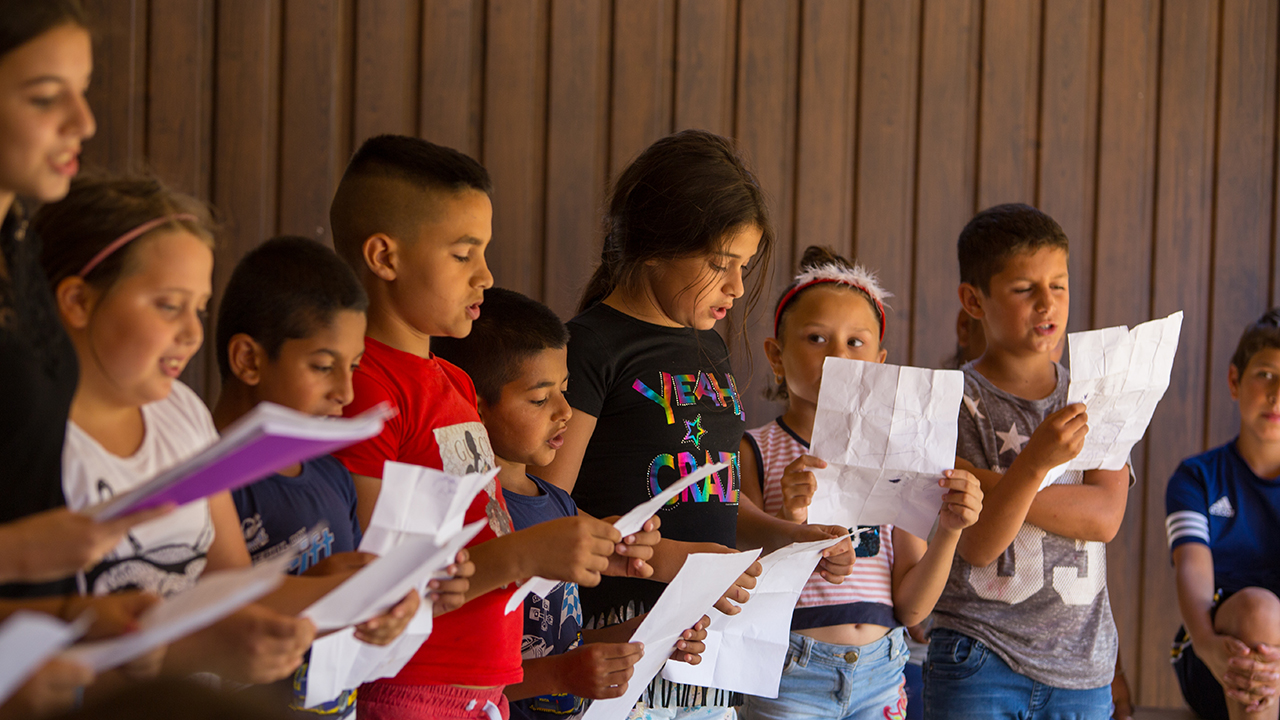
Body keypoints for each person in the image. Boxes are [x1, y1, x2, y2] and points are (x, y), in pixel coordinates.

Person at [330, 134, 655, 720]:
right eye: (463, 253)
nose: (485, 275)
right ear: (384, 257)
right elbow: (376, 582)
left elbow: (475, 530)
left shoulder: (450, 381)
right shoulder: (364, 389)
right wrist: (527, 553)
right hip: (412, 688)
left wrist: (582, 545)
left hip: (483, 688)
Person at [532, 129, 853, 720]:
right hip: (615, 653)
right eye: (719, 264)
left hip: (703, 664)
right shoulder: (590, 347)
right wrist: (675, 560)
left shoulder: (710, 347)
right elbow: (543, 511)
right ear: (654, 244)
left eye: (743, 267)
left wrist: (785, 535)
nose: (735, 287)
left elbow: (717, 494)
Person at [36, 174, 322, 686]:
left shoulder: (184, 414)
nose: (192, 334)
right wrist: (198, 653)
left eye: (199, 309)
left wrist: (350, 601)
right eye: (169, 306)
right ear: (78, 301)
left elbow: (229, 586)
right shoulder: (32, 436)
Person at [214, 236, 466, 717]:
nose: (346, 393)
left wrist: (395, 609)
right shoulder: (206, 487)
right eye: (323, 367)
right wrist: (325, 590)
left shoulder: (331, 476)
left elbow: (347, 604)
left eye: (352, 367)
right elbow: (212, 608)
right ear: (248, 360)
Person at [434, 287, 713, 720]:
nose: (565, 411)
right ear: (474, 404)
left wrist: (644, 636)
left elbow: (561, 639)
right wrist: (559, 677)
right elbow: (453, 675)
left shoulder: (559, 504)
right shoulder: (465, 517)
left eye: (566, 390)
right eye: (540, 398)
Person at [735, 246, 982, 720]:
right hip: (788, 673)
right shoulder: (756, 451)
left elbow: (912, 609)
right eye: (815, 338)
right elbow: (745, 584)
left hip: (884, 672)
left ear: (880, 362)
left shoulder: (902, 458)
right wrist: (791, 520)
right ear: (776, 355)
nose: (837, 356)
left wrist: (949, 530)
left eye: (855, 342)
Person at [923, 203, 1129, 720]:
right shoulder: (948, 401)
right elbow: (978, 542)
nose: (1047, 303)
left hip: (1082, 669)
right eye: (1024, 289)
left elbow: (1104, 517)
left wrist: (991, 481)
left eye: (1058, 285)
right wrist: (1035, 461)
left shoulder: (1097, 396)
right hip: (978, 656)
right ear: (973, 299)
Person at [1166, 308, 1280, 720]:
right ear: (1235, 380)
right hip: (1213, 654)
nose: (1277, 393)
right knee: (1257, 614)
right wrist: (1208, 644)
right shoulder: (1197, 478)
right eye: (1265, 373)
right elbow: (1192, 570)